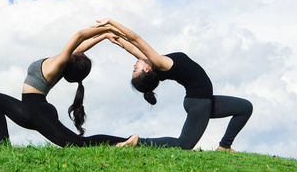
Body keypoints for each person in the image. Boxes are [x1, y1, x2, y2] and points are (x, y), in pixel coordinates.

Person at [93, 18, 253, 152]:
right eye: (136, 69)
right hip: (198, 102)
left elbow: (129, 45)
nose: (135, 64)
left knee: (245, 107)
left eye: (134, 68)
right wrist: (111, 23)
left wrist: (109, 34)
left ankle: (224, 146)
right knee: (184, 145)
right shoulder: (159, 62)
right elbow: (135, 39)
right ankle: (139, 141)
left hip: (204, 100)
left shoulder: (153, 64)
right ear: (147, 70)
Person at [0, 25, 133, 147]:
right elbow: (82, 46)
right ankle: (4, 146)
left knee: (78, 144)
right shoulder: (62, 63)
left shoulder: (60, 63)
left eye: (81, 54)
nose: (80, 51)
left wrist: (108, 29)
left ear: (73, 60)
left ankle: (124, 142)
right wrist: (104, 36)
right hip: (27, 109)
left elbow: (80, 35)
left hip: (38, 112)